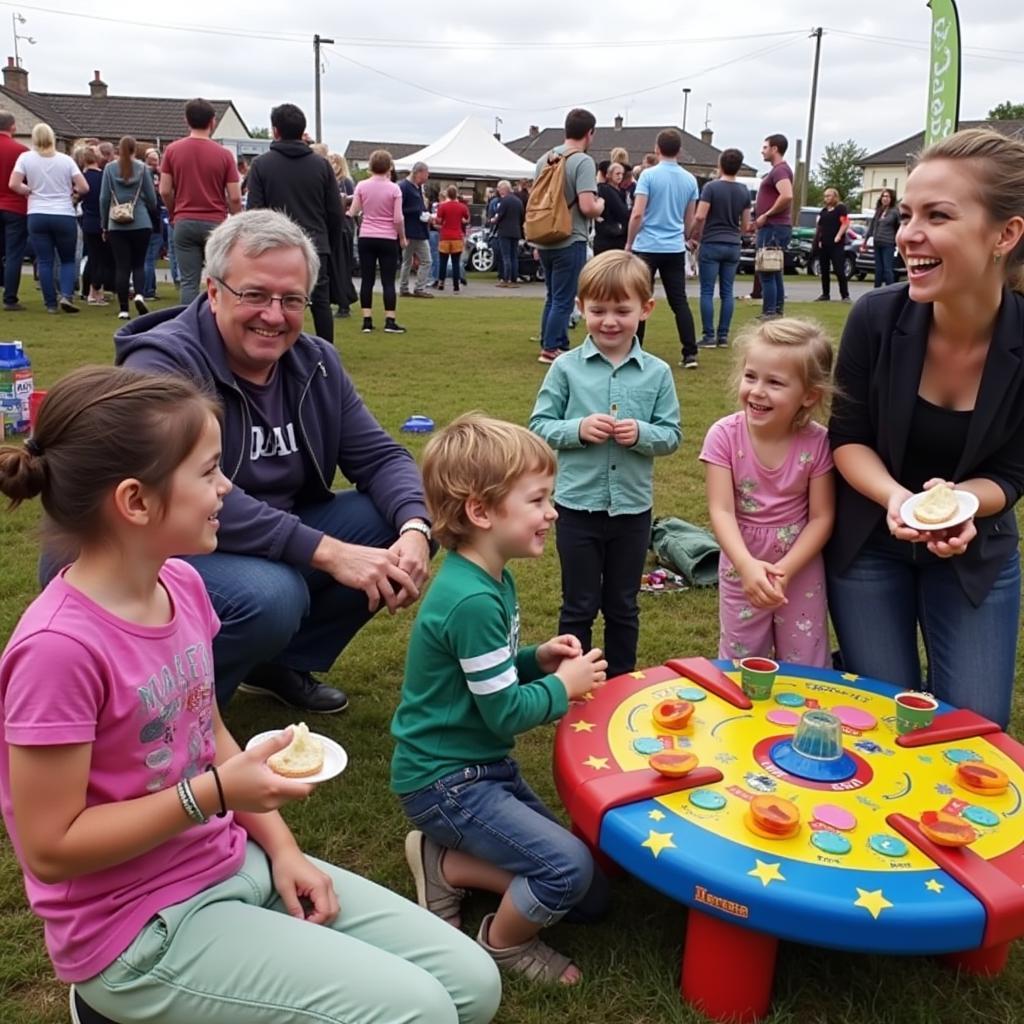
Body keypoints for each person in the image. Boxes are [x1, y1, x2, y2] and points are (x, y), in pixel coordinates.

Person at [0, 365, 501, 1024]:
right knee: (424, 1013)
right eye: (208, 472)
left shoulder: (179, 585)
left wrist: (284, 851)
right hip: (135, 931)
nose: (227, 488)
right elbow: (50, 846)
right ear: (136, 501)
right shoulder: (58, 651)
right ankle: (104, 1007)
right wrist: (212, 795)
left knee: (472, 984)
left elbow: (206, 733)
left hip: (228, 861)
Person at [115, 210, 433, 714]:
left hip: (272, 535)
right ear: (212, 290)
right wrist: (326, 551)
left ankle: (275, 663)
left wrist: (416, 528)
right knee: (272, 595)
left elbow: (380, 455)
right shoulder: (162, 365)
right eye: (255, 295)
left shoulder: (316, 362)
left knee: (386, 521)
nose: (274, 315)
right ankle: (174, 713)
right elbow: (177, 490)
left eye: (291, 300)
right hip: (170, 543)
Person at [390, 413, 610, 985]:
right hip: (445, 783)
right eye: (538, 499)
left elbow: (486, 677)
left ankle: (445, 865)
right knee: (567, 871)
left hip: (479, 769)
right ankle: (504, 945)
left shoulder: (491, 578)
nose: (552, 512)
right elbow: (506, 710)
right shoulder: (472, 600)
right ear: (481, 512)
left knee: (591, 894)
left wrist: (534, 659)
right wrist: (562, 687)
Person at [827, 127, 1024, 729]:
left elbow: (1014, 470)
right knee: (888, 720)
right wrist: (901, 501)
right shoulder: (876, 317)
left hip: (977, 550)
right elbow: (848, 437)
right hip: (868, 545)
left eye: (937, 216)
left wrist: (963, 506)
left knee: (974, 727)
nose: (908, 233)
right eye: (907, 212)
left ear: (1005, 234)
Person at [530, 251, 681, 676]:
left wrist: (643, 434)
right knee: (577, 605)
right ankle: (571, 681)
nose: (609, 321)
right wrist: (577, 429)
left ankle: (621, 682)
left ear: (646, 309)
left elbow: (672, 435)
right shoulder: (565, 368)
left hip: (632, 512)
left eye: (622, 310)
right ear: (580, 308)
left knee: (622, 605)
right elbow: (539, 425)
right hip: (577, 508)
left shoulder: (657, 373)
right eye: (597, 310)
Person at [701, 319, 835, 666]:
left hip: (800, 565)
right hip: (741, 562)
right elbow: (721, 511)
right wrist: (746, 567)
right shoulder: (723, 436)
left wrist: (785, 570)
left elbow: (822, 517)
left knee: (805, 659)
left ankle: (801, 718)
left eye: (774, 382)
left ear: (809, 395)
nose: (757, 390)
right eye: (751, 376)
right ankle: (741, 718)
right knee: (741, 660)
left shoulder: (818, 442)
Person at [245, 103, 345, 344]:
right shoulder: (321, 166)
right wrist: (327, 241)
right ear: (303, 132)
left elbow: (255, 212)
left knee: (276, 299)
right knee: (319, 302)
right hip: (316, 242)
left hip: (275, 244)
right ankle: (326, 352)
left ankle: (277, 343)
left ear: (275, 131)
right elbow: (335, 211)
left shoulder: (261, 165)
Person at [533, 108, 603, 364]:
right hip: (570, 235)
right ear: (589, 133)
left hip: (545, 234)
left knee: (553, 295)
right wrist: (600, 205)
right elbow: (587, 206)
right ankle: (551, 348)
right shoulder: (582, 161)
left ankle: (554, 341)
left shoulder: (545, 159)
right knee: (564, 297)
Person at [626, 129, 700, 369]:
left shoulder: (648, 176)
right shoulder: (690, 180)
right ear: (679, 150)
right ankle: (690, 352)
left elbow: (638, 213)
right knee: (679, 301)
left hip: (647, 244)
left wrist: (629, 242)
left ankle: (635, 348)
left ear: (657, 149)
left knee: (641, 298)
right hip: (673, 246)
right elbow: (690, 218)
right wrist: (689, 238)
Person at [159, 98, 242, 305]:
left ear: (186, 121)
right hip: (215, 222)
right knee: (220, 279)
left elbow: (165, 190)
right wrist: (237, 221)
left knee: (189, 282)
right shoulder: (224, 155)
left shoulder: (172, 150)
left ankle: (188, 329)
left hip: (185, 220)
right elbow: (234, 196)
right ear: (212, 121)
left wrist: (173, 212)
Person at [9, 122, 88, 314]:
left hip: (37, 212)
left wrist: (27, 191)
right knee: (68, 259)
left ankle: (50, 303)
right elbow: (84, 187)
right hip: (63, 212)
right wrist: (74, 195)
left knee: (45, 260)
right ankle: (67, 295)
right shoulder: (66, 160)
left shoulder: (25, 158)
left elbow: (14, 184)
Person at [692, 147, 752, 348]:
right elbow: (745, 225)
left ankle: (709, 335)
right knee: (727, 291)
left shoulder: (711, 188)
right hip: (732, 243)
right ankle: (723, 335)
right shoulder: (743, 191)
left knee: (707, 290)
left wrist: (692, 233)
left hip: (712, 241)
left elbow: (700, 215)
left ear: (720, 165)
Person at [100, 135, 159, 320]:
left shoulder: (109, 169)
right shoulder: (143, 169)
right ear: (135, 150)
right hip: (140, 222)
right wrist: (147, 208)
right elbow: (152, 199)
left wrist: (104, 225)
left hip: (116, 224)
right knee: (138, 263)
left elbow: (104, 199)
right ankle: (140, 294)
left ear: (118, 150)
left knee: (122, 266)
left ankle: (123, 308)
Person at [349, 149, 406, 334]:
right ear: (389, 166)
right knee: (388, 281)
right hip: (387, 237)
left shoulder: (362, 186)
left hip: (366, 235)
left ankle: (367, 320)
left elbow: (354, 211)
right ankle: (390, 320)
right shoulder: (394, 188)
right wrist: (402, 237)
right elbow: (398, 218)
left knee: (367, 279)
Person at [752, 134, 794, 319]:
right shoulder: (778, 171)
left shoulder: (779, 171)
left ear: (775, 149)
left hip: (773, 227)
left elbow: (787, 195)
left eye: (765, 147)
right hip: (775, 227)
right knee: (774, 270)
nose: (762, 151)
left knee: (767, 270)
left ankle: (770, 311)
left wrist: (766, 215)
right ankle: (776, 310)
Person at [0, 110, 28, 311]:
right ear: (13, 127)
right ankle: (10, 298)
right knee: (13, 254)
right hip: (15, 207)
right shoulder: (21, 151)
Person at [79, 145, 110, 306]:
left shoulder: (81, 178)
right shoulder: (104, 177)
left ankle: (87, 291)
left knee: (91, 257)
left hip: (87, 220)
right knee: (101, 258)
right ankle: (95, 292)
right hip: (101, 221)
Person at [398, 161, 434, 299]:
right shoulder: (404, 187)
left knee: (407, 261)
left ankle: (404, 287)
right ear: (418, 172)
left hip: (417, 229)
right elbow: (399, 209)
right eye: (426, 174)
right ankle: (418, 288)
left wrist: (426, 214)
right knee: (426, 260)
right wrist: (418, 213)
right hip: (412, 230)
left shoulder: (417, 187)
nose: (426, 178)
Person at [813, 187, 850, 303]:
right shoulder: (823, 211)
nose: (826, 198)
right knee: (824, 270)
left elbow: (845, 223)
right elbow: (820, 227)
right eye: (825, 196)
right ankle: (825, 294)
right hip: (824, 244)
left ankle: (845, 295)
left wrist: (838, 235)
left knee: (839, 269)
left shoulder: (840, 208)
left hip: (836, 244)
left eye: (829, 196)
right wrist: (818, 239)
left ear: (835, 196)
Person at [434, 185, 470, 293]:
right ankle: (456, 286)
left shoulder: (442, 206)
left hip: (445, 236)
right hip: (457, 237)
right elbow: (466, 218)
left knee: (443, 262)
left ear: (447, 195)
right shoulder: (462, 206)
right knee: (455, 262)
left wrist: (438, 220)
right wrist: (461, 220)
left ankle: (441, 282)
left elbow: (438, 220)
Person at [862, 187, 900, 288]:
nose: (885, 198)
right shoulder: (879, 211)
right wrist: (865, 241)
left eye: (887, 196)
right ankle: (876, 290)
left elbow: (900, 227)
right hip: (877, 242)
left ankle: (891, 291)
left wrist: (898, 241)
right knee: (878, 269)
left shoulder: (895, 212)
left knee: (887, 269)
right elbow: (872, 226)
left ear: (891, 198)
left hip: (888, 243)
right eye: (883, 196)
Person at [142, 148, 165, 300]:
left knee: (146, 258)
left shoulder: (140, 175)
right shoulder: (160, 176)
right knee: (149, 258)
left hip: (144, 219)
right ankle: (148, 290)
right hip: (155, 219)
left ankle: (150, 288)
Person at [491, 180, 523, 287]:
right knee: (514, 256)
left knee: (506, 256)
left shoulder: (504, 201)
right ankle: (514, 279)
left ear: (504, 189)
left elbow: (499, 216)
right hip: (516, 231)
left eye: (499, 189)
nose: (498, 191)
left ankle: (506, 279)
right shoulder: (518, 201)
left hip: (504, 231)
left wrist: (493, 220)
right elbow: (522, 217)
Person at [593, 162, 630, 256]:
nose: (620, 176)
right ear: (609, 175)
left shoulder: (621, 191)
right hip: (609, 238)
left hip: (616, 236)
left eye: (622, 174)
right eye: (617, 174)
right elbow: (622, 211)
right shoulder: (605, 189)